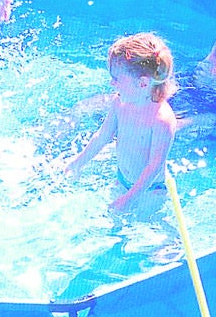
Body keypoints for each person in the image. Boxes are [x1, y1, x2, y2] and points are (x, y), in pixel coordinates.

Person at [64, 33, 178, 215]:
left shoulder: (161, 120)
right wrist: (77, 163)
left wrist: (130, 197)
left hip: (149, 190)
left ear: (142, 83)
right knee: (115, 223)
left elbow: (154, 166)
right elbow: (102, 137)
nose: (112, 82)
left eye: (117, 78)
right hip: (122, 180)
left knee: (147, 225)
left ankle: (171, 242)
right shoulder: (120, 103)